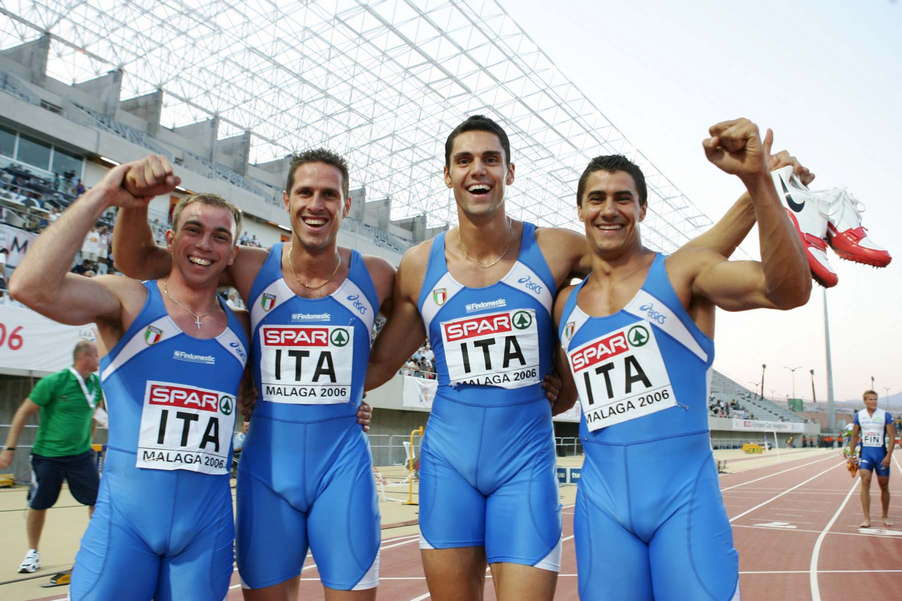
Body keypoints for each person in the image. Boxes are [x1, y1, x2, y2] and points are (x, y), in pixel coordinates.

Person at [363, 114, 761, 601]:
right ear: (447, 174)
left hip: (524, 466)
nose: (478, 170)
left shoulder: (555, 249)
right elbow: (376, 367)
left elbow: (658, 272)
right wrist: (294, 390)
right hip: (448, 464)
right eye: (464, 160)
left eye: (491, 159)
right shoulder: (419, 264)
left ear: (510, 172)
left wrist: (759, 194)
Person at [112, 150, 392, 600]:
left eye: (328, 194)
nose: (316, 204)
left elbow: (426, 325)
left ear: (346, 205)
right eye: (305, 192)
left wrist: (354, 392)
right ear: (286, 200)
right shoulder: (250, 267)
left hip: (343, 469)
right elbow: (138, 263)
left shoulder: (376, 275)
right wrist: (134, 203)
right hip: (266, 474)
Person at [553, 119, 811, 601]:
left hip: (684, 504)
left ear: (642, 208)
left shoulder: (683, 274)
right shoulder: (564, 304)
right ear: (581, 210)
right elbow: (564, 393)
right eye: (597, 198)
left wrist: (758, 182)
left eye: (623, 198)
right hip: (601, 509)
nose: (609, 209)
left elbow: (788, 291)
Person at [9, 157, 250, 601]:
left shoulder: (244, 329)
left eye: (221, 236)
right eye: (193, 229)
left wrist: (354, 408)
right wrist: (104, 194)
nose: (205, 244)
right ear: (170, 239)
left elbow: (278, 396)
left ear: (233, 253)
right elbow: (29, 286)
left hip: (206, 531)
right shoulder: (130, 299)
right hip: (124, 526)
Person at [0, 340, 104, 574]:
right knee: (39, 504)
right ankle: (32, 552)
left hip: (81, 456)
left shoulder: (96, 384)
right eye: (97, 355)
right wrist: (9, 449)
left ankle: (97, 550)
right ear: (85, 357)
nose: (100, 359)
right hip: (48, 456)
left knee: (97, 502)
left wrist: (89, 440)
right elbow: (22, 413)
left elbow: (95, 413)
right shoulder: (54, 382)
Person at [848, 389, 896, 528]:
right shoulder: (859, 415)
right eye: (870, 399)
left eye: (875, 399)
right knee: (865, 481)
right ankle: (866, 518)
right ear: (865, 401)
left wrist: (888, 456)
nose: (874, 401)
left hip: (881, 455)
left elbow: (892, 436)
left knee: (884, 485)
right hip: (866, 454)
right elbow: (854, 436)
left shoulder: (885, 415)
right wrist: (851, 455)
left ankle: (885, 516)